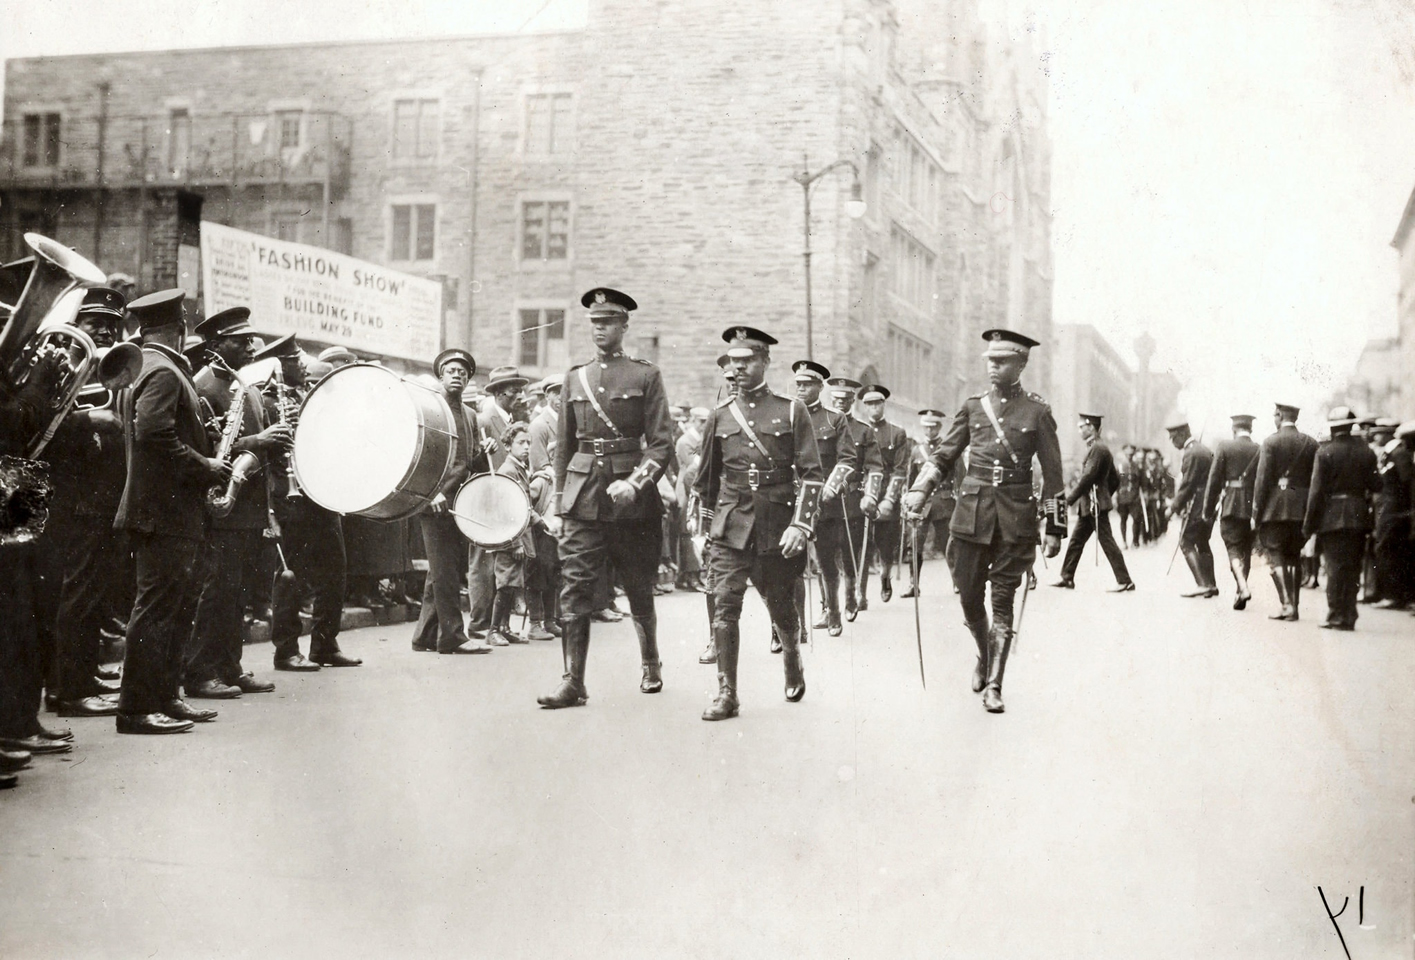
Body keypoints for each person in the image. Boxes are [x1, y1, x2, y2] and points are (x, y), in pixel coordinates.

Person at [904, 329, 1065, 714]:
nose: (993, 366)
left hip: (1016, 518)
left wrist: (1055, 528)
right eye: (990, 360)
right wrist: (920, 490)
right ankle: (983, 653)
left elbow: (1054, 475)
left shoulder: (1038, 413)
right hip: (971, 517)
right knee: (969, 596)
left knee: (1003, 601)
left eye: (1002, 360)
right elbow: (944, 455)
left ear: (1021, 363)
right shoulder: (973, 407)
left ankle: (995, 683)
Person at [538, 288, 673, 708]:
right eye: (595, 323)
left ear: (623, 326)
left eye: (609, 322)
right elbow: (563, 447)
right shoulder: (574, 377)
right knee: (574, 587)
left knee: (637, 584)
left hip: (630, 502)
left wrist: (635, 483)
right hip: (582, 498)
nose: (601, 330)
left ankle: (650, 661)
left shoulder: (645, 375)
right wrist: (559, 505)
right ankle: (572, 681)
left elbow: (662, 444)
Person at [113, 289, 230, 734]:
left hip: (165, 511)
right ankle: (137, 709)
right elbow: (154, 434)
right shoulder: (162, 370)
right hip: (164, 512)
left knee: (171, 609)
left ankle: (164, 697)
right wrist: (207, 466)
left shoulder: (152, 365)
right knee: (158, 610)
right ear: (177, 328)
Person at [694, 327, 822, 720]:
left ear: (765, 361)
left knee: (781, 605)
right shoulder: (719, 416)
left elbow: (813, 475)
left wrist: (800, 526)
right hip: (731, 526)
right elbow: (706, 482)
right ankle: (727, 693)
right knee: (725, 607)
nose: (739, 368)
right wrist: (703, 532)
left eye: (747, 360)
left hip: (776, 525)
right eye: (733, 361)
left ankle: (792, 657)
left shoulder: (790, 410)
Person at [185, 308, 291, 698]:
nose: (250, 346)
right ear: (216, 345)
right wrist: (261, 442)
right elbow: (207, 449)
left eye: (250, 339)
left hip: (245, 505)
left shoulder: (241, 384)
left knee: (236, 593)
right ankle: (198, 672)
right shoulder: (204, 386)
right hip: (223, 505)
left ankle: (229, 667)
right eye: (239, 340)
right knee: (216, 593)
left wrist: (276, 443)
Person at [44, 287, 131, 718]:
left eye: (112, 324)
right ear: (75, 323)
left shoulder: (104, 366)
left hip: (100, 496)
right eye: (95, 322)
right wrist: (88, 419)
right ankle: (69, 688)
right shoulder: (59, 361)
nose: (104, 330)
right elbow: (41, 425)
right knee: (77, 594)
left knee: (92, 592)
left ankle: (82, 674)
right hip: (74, 496)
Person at [260, 334, 360, 669]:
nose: (301, 363)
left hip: (320, 496)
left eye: (299, 357)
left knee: (335, 571)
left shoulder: (308, 396)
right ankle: (286, 649)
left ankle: (324, 644)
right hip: (289, 499)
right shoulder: (267, 400)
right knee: (290, 576)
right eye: (292, 360)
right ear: (276, 366)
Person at [412, 348, 489, 655]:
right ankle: (453, 637)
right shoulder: (431, 409)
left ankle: (423, 637)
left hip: (459, 501)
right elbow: (420, 458)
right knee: (444, 572)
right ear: (441, 376)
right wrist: (430, 493)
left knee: (442, 569)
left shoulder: (470, 415)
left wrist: (484, 451)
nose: (457, 376)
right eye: (452, 371)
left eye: (463, 372)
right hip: (435, 501)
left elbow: (469, 462)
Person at [795, 360, 877, 636]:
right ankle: (792, 624)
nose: (801, 389)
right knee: (795, 563)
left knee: (827, 558)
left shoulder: (834, 420)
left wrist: (829, 489)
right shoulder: (787, 415)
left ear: (820, 387)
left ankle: (834, 610)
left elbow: (848, 459)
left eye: (807, 384)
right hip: (791, 498)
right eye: (798, 384)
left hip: (827, 502)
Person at [1304, 406, 1379, 630]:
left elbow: (1316, 492)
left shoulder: (1325, 452)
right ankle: (1349, 614)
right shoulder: (1366, 451)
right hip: (1358, 516)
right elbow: (1377, 485)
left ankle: (1336, 613)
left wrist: (1309, 524)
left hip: (1332, 516)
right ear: (1351, 425)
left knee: (1335, 567)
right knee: (1353, 566)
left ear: (1332, 427)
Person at [487, 423, 560, 644]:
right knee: (506, 584)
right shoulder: (508, 470)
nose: (527, 447)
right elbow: (511, 510)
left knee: (513, 583)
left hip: (519, 537)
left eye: (528, 442)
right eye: (521, 443)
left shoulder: (519, 468)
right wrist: (517, 542)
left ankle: (505, 628)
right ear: (508, 446)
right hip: (511, 538)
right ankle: (493, 631)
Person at [469, 366, 529, 635]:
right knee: (482, 562)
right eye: (513, 388)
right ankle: (480, 623)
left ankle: (500, 625)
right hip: (486, 498)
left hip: (504, 498)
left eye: (519, 388)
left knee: (501, 564)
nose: (518, 393)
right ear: (498, 392)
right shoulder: (483, 420)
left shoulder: (510, 419)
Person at [1252, 402, 1319, 621]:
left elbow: (1262, 481)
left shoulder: (1271, 442)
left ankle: (1286, 605)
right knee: (1294, 556)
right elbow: (1315, 479)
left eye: (1275, 415)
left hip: (1276, 507)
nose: (1274, 418)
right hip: (1301, 507)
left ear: (1280, 415)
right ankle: (1295, 606)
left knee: (1275, 554)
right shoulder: (1311, 443)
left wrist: (1256, 512)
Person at [1054, 413, 1133, 591]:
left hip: (1094, 506)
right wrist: (1104, 494)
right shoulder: (1098, 447)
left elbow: (1087, 477)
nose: (1079, 430)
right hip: (1091, 505)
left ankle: (1125, 580)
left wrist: (1069, 500)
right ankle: (1067, 577)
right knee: (1076, 541)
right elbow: (1114, 479)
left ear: (1091, 427)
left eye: (1081, 427)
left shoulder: (1097, 448)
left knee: (1106, 541)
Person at [826, 377, 882, 621]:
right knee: (825, 554)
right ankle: (828, 606)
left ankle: (851, 595)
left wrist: (870, 495)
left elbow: (875, 468)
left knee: (850, 552)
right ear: (831, 399)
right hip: (825, 500)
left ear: (851, 401)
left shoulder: (863, 430)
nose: (840, 403)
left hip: (851, 499)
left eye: (845, 400)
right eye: (836, 399)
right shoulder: (820, 425)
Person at [1202, 414, 1261, 609]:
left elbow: (1214, 480)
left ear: (1233, 429)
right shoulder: (1258, 449)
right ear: (1250, 429)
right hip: (1251, 507)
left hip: (1230, 506)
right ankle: (1239, 591)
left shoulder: (1225, 447)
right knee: (1246, 549)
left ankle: (1242, 587)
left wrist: (1207, 509)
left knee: (1233, 548)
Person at [902, 409, 959, 598]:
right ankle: (913, 584)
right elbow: (911, 479)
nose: (929, 431)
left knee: (948, 544)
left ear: (939, 427)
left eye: (933, 427)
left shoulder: (948, 448)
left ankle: (957, 581)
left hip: (943, 502)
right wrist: (908, 500)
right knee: (915, 544)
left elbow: (960, 475)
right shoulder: (917, 450)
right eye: (926, 427)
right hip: (923, 504)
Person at [1166, 420, 1218, 598]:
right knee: (1203, 542)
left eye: (1173, 438)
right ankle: (1211, 584)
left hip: (1197, 504)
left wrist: (1172, 508)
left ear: (1181, 435)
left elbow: (1188, 485)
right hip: (1208, 504)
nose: (1173, 442)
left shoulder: (1192, 453)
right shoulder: (1203, 450)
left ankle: (1202, 584)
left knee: (1186, 541)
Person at [1373, 421, 1414, 610]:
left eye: (1379, 432)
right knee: (1385, 549)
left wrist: (1404, 511)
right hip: (1388, 509)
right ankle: (1390, 594)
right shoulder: (1390, 453)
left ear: (1390, 434)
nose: (1375, 436)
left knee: (1389, 550)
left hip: (1394, 511)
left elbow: (1407, 485)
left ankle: (1394, 595)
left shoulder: (1398, 454)